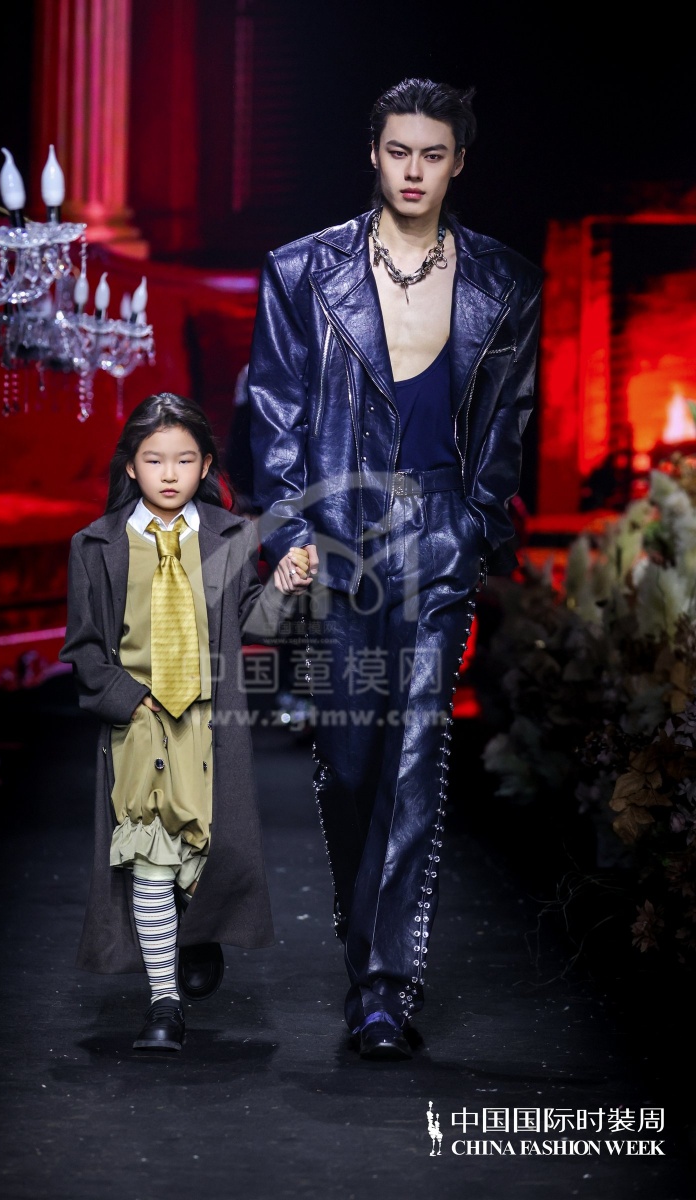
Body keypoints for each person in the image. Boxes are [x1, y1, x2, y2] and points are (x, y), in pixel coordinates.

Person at [248, 77, 543, 1060]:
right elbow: (275, 409)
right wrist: (289, 531)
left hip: (439, 541)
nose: (414, 171)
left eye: (433, 154)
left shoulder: (506, 281)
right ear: (372, 155)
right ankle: (365, 936)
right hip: (338, 538)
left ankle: (381, 990)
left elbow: (507, 422)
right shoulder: (301, 271)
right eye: (398, 151)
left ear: (458, 163)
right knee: (349, 766)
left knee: (415, 753)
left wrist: (479, 524)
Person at [60, 393, 310, 1051]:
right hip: (139, 725)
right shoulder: (96, 546)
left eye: (183, 459)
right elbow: (84, 646)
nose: (169, 473)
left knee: (201, 856)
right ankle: (163, 1004)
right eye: (154, 459)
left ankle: (196, 932)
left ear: (205, 465)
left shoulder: (230, 536)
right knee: (149, 858)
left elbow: (256, 622)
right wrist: (127, 699)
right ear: (131, 466)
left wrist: (283, 584)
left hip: (207, 726)